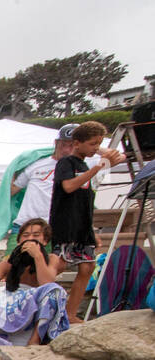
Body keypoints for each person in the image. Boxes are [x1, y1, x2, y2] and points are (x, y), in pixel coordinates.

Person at [51, 120, 124, 321]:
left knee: (87, 267)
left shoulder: (85, 164)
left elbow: (120, 156)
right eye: (92, 144)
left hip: (82, 226)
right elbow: (68, 186)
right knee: (58, 266)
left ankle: (70, 312)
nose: (95, 149)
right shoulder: (66, 163)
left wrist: (100, 152)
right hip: (65, 225)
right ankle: (43, 308)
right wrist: (98, 167)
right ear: (77, 143)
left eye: (97, 144)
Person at [0, 218, 70, 346]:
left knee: (56, 291)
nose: (30, 238)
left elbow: (47, 283)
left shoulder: (51, 259)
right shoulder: (10, 261)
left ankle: (35, 340)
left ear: (45, 240)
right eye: (26, 235)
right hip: (13, 301)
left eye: (36, 235)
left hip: (36, 300)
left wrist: (37, 256)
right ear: (19, 241)